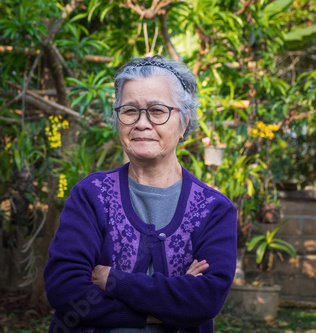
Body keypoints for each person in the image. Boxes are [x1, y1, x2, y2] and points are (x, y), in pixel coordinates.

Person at [43, 55, 237, 333]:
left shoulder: (213, 209)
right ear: (118, 119)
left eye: (157, 111)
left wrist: (112, 280)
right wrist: (165, 309)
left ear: (184, 122)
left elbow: (204, 300)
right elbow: (66, 291)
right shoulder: (91, 196)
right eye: (130, 110)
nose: (142, 123)